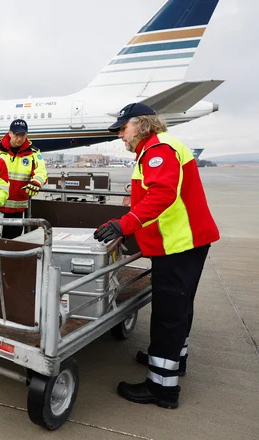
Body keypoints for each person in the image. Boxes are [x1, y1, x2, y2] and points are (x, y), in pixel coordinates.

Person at [93, 102, 219, 409]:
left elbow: (163, 195)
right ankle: (173, 359)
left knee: (168, 313)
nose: (120, 135)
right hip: (184, 242)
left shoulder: (157, 150)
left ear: (141, 124)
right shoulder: (157, 149)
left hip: (179, 244)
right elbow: (151, 196)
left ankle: (162, 388)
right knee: (179, 307)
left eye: (123, 128)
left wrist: (125, 225)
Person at [0, 119, 47, 238]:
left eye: (23, 135)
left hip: (16, 210)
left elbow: (41, 172)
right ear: (9, 133)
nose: (20, 139)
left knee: (12, 243)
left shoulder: (34, 153)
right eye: (16, 135)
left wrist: (36, 182)